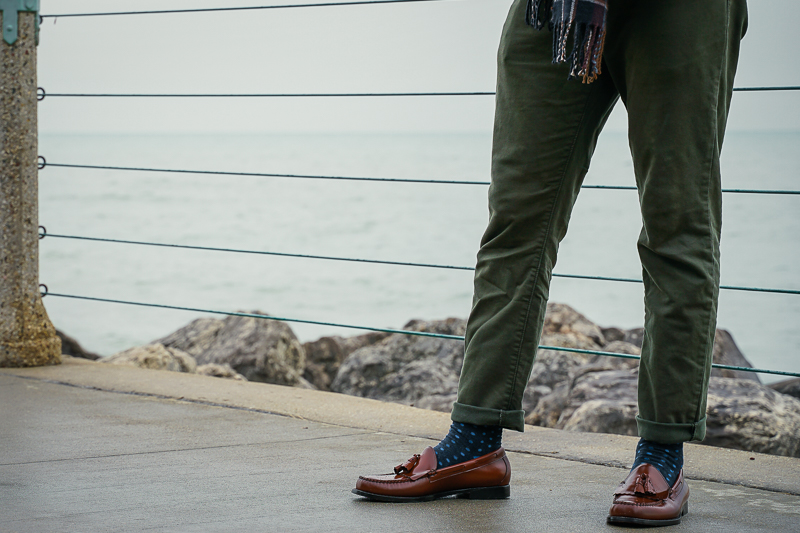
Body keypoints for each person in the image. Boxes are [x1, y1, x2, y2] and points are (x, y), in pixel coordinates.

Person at [353, 0, 748, 526]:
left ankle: (661, 456)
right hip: (560, 9)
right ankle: (474, 441)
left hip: (680, 13)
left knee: (677, 224)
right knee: (516, 222)